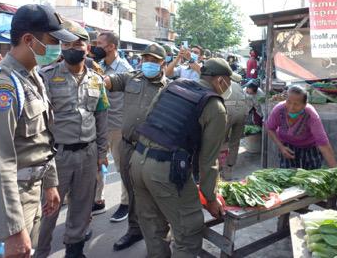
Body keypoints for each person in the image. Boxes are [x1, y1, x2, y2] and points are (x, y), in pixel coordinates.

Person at [0, 4, 77, 258]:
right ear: (28, 40)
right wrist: (11, 229)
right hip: (8, 203)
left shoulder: (32, 78)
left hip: (31, 194)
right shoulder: (1, 87)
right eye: (53, 41)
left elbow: (44, 139)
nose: (58, 48)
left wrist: (50, 183)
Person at [131, 58, 232, 257]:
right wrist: (210, 198)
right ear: (220, 80)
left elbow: (148, 119)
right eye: (230, 81)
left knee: (153, 226)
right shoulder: (215, 106)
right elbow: (208, 160)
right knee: (189, 231)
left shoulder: (173, 86)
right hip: (166, 172)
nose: (230, 86)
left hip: (137, 161)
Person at [35, 21, 109, 258]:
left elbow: (101, 118)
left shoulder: (97, 80)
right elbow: (39, 123)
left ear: (88, 48)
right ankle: (41, 251)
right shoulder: (46, 77)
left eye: (79, 43)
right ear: (61, 47)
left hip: (88, 154)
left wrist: (101, 153)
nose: (73, 47)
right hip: (57, 156)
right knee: (49, 209)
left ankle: (74, 250)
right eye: (67, 43)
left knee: (82, 205)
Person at [104, 43, 169, 251]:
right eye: (146, 59)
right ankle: (134, 230)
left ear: (163, 63)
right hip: (127, 146)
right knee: (131, 190)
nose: (148, 63)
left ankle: (159, 232)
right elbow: (108, 82)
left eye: (154, 60)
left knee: (151, 192)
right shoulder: (130, 78)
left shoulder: (169, 89)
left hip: (150, 151)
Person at [92, 32, 133, 219]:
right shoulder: (97, 66)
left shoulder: (125, 69)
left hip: (118, 125)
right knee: (98, 164)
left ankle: (126, 203)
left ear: (111, 47)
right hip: (99, 125)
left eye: (99, 43)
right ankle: (98, 200)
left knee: (121, 166)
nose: (95, 46)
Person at [265, 85, 337, 169]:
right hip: (287, 145)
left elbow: (323, 144)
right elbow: (270, 128)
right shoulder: (279, 109)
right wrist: (281, 147)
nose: (291, 107)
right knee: (288, 174)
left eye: (296, 104)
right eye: (288, 102)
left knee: (312, 174)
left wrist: (335, 171)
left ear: (304, 105)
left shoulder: (311, 115)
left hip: (309, 146)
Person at [221, 78, 248, 180]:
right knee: (235, 141)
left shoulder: (220, 83)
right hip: (242, 112)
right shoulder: (237, 85)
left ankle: (221, 167)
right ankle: (229, 166)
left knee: (221, 141)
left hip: (228, 112)